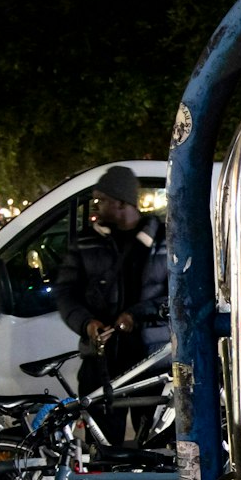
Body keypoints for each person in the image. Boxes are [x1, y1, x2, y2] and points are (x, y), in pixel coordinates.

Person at [54, 165, 170, 396]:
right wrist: (86, 323)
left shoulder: (164, 239)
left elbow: (179, 294)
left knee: (152, 431)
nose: (96, 206)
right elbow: (65, 291)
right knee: (101, 430)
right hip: (100, 361)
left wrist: (136, 315)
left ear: (121, 202)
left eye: (101, 200)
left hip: (151, 359)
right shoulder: (86, 241)